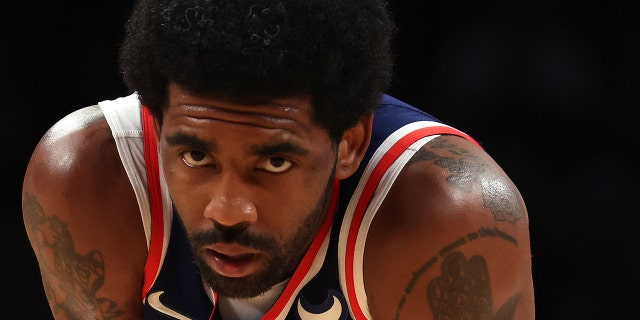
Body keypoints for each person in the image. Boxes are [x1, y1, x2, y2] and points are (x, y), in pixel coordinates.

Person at [21, 0, 535, 319]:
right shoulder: (86, 177)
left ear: (350, 143)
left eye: (273, 164)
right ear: (158, 126)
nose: (227, 209)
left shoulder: (446, 219)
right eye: (196, 155)